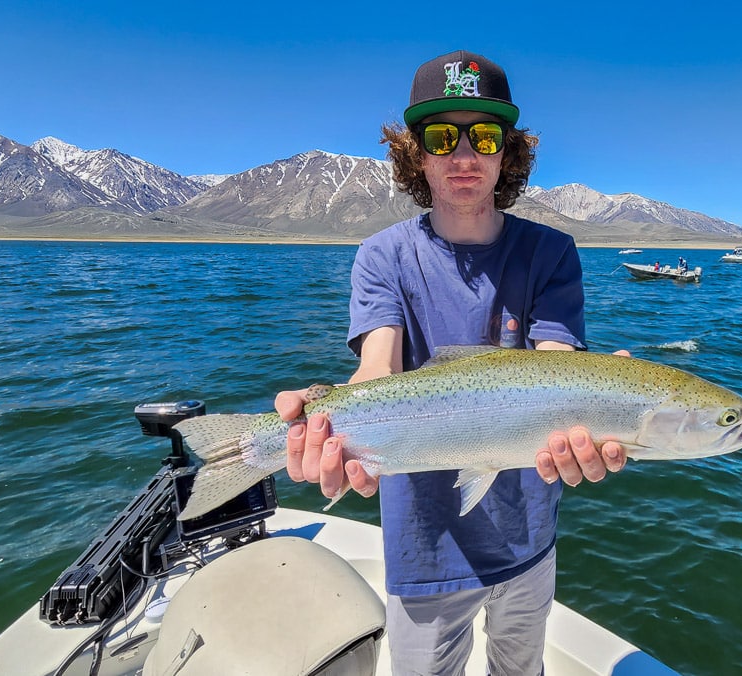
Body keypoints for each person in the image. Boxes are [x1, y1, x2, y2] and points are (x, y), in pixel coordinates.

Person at [274, 50, 627, 675]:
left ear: (506, 150)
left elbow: (554, 363)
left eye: (484, 135)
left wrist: (600, 397)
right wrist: (320, 423)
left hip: (529, 538)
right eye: (443, 136)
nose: (464, 155)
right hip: (424, 546)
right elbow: (375, 373)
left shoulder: (553, 252)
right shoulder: (381, 257)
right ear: (417, 152)